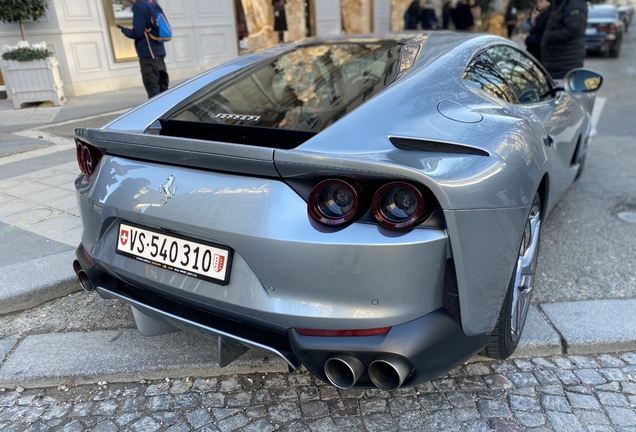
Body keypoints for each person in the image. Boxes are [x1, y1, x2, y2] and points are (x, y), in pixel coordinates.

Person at [118, 0, 169, 99]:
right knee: (163, 88)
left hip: (148, 53)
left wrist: (124, 30)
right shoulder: (152, 3)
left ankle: (157, 113)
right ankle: (168, 113)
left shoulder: (139, 6)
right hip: (159, 50)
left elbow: (137, 32)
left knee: (153, 90)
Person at [540, 0, 587, 79]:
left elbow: (573, 30)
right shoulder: (561, 3)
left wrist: (549, 37)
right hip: (556, 60)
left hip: (565, 62)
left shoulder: (575, 3)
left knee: (561, 88)